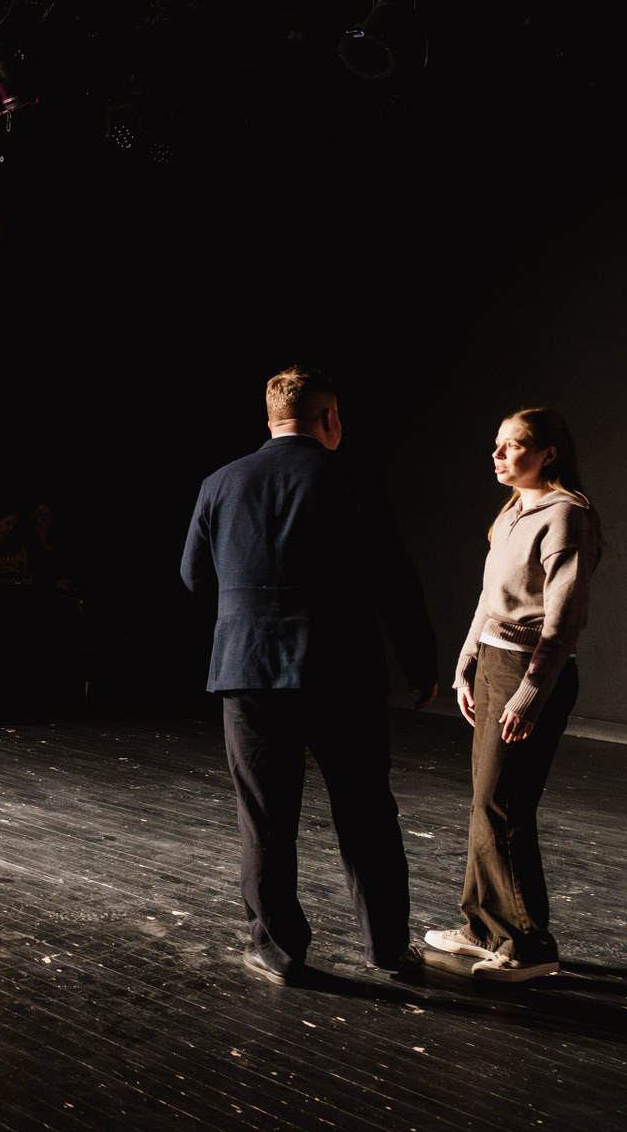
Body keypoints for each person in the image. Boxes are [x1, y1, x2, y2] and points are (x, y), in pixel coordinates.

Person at [179, 365, 438, 984]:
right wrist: (420, 663)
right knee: (365, 813)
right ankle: (386, 948)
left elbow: (192, 577)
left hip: (247, 671)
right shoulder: (350, 475)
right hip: (340, 671)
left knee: (265, 819)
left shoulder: (219, 482)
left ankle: (278, 950)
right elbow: (394, 579)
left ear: (269, 419)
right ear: (330, 419)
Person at [427, 408, 602, 984]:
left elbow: (563, 620)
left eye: (512, 446)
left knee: (504, 808)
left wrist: (529, 694)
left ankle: (529, 944)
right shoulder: (511, 513)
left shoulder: (567, 515)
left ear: (548, 453)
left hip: (529, 671)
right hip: (493, 664)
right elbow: (489, 599)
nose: (497, 455)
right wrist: (466, 664)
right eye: (496, 444)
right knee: (486, 803)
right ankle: (483, 928)